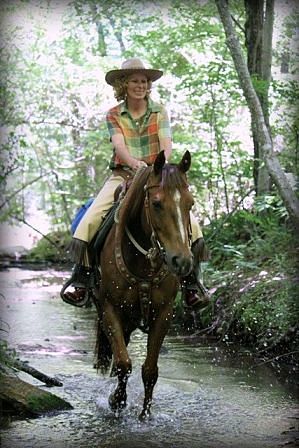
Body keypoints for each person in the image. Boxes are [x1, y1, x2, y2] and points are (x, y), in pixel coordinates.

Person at [62, 57, 209, 308]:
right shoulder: (114, 114)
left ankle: (191, 284)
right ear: (124, 84)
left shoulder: (160, 111)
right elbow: (119, 144)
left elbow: (166, 142)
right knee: (90, 220)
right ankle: (82, 278)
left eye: (144, 81)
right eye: (134, 81)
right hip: (123, 174)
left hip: (156, 175)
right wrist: (132, 163)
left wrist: (159, 164)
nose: (140, 85)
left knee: (192, 226)